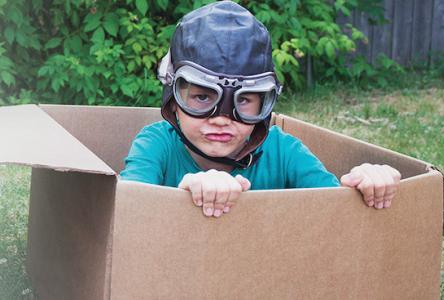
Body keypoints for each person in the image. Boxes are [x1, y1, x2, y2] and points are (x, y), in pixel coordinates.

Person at [120, 1, 401, 218]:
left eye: (243, 101)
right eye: (202, 97)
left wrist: (365, 184)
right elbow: (125, 206)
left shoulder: (285, 152)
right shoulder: (155, 144)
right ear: (172, 97)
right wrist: (184, 194)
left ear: (266, 105)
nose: (221, 118)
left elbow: (335, 208)